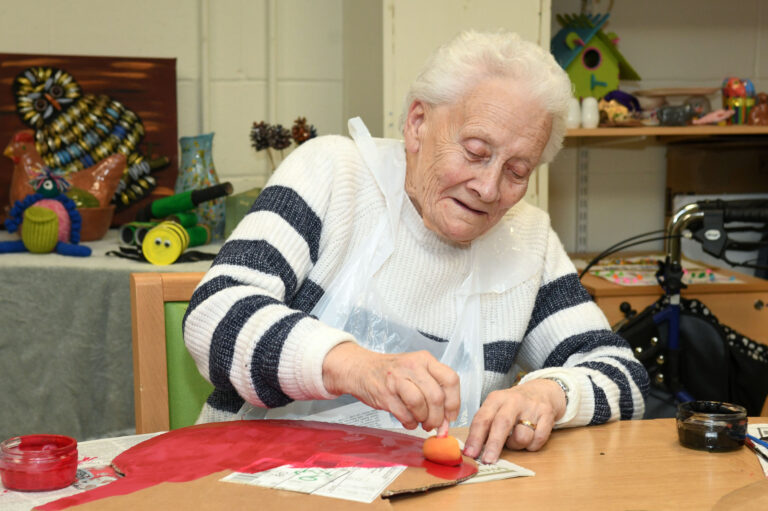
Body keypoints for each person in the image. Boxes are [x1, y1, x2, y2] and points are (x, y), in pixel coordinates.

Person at [183, 30, 649, 464]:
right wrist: (356, 367)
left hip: (425, 489)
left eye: (517, 170)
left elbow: (622, 374)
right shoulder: (333, 174)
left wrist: (548, 394)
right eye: (475, 151)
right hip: (252, 476)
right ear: (418, 123)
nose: (488, 188)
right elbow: (215, 316)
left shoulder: (526, 238)